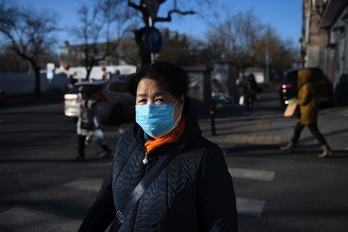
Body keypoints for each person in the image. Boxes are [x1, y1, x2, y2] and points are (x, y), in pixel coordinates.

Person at [77, 62, 239, 231]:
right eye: (142, 100)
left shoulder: (205, 156)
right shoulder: (126, 141)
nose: (149, 107)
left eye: (159, 99)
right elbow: (105, 202)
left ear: (181, 102)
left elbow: (221, 225)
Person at [280, 69, 333, 158]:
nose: (298, 78)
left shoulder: (306, 86)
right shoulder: (308, 85)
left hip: (307, 113)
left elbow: (304, 100)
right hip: (307, 113)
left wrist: (294, 101)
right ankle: (290, 146)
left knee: (313, 131)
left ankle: (326, 149)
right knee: (298, 129)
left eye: (300, 76)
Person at [75, 85, 112, 161]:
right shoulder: (81, 100)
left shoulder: (90, 101)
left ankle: (106, 150)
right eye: (79, 93)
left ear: (87, 93)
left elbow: (94, 112)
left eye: (82, 93)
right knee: (82, 139)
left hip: (89, 124)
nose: (81, 94)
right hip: (82, 124)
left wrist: (97, 124)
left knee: (95, 138)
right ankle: (81, 155)